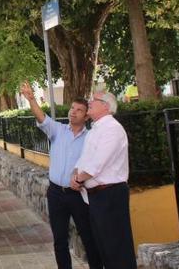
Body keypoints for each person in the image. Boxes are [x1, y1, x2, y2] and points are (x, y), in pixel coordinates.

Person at [20, 83, 102, 269]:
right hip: (56, 193)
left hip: (78, 195)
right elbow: (41, 117)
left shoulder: (90, 138)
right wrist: (31, 99)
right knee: (59, 240)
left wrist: (81, 178)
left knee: (89, 237)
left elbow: (95, 164)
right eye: (72, 108)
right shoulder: (58, 130)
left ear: (86, 116)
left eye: (79, 110)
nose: (73, 112)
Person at [71, 90, 136, 269]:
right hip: (96, 197)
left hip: (110, 195)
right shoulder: (95, 129)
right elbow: (83, 160)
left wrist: (78, 178)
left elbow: (97, 164)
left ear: (106, 106)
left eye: (94, 100)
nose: (90, 102)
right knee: (104, 248)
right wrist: (75, 175)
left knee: (117, 249)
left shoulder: (112, 129)